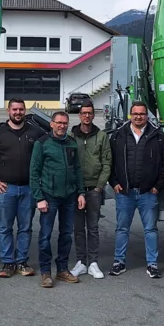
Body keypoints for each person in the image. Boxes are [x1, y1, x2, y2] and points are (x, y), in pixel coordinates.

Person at [0, 98, 44, 278]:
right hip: (6, 190)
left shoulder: (34, 132)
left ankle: (22, 262)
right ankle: (8, 263)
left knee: (25, 228)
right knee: (5, 228)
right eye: (14, 109)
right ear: (9, 110)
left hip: (28, 189)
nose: (18, 113)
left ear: (25, 111)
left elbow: (47, 148)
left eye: (21, 109)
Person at [109, 101, 164, 279]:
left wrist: (158, 186)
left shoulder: (158, 136)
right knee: (122, 229)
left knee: (150, 229)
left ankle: (152, 264)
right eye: (135, 114)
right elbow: (109, 161)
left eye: (142, 114)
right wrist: (114, 182)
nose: (138, 117)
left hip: (148, 192)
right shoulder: (118, 135)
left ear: (147, 116)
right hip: (125, 192)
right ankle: (119, 262)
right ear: (130, 115)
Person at [30, 111, 86, 288]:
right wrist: (39, 197)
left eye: (65, 123)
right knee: (45, 235)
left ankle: (62, 269)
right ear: (52, 124)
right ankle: (46, 272)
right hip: (49, 196)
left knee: (66, 234)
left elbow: (77, 169)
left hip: (69, 196)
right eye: (59, 123)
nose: (62, 126)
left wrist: (81, 192)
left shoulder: (71, 143)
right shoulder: (42, 143)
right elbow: (34, 172)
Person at [69, 100, 112, 280]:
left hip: (94, 189)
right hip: (75, 190)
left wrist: (99, 186)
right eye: (84, 113)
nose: (87, 116)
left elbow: (107, 162)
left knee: (93, 227)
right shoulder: (71, 136)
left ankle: (93, 262)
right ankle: (81, 262)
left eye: (90, 113)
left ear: (94, 115)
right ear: (79, 115)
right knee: (78, 228)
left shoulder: (101, 136)